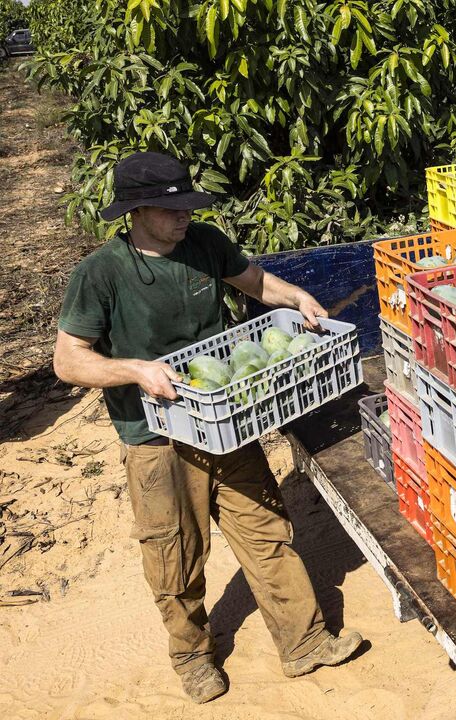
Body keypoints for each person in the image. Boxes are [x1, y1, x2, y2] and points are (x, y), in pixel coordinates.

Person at [52, 152, 363, 704]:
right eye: (171, 210)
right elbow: (69, 361)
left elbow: (255, 282)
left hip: (226, 421)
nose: (183, 218)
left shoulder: (205, 244)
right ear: (137, 211)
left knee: (266, 529)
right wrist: (134, 370)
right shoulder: (102, 274)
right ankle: (193, 657)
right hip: (156, 438)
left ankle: (305, 641)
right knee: (175, 553)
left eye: (187, 207)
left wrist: (296, 297)